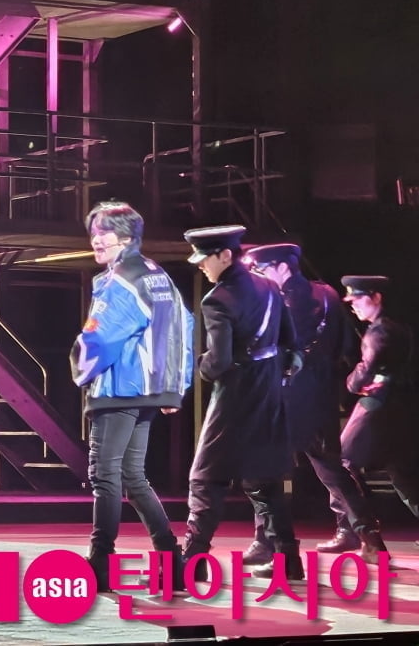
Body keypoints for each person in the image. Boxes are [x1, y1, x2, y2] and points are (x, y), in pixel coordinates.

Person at [69, 202, 194, 592]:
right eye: (93, 233)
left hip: (118, 389)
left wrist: (79, 367)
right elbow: (185, 327)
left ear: (125, 238)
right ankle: (171, 560)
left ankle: (100, 562)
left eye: (103, 233)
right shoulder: (158, 275)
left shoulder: (119, 281)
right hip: (149, 392)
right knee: (133, 477)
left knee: (104, 475)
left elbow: (100, 337)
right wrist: (174, 387)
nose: (96, 240)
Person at [241, 245, 385, 563]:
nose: (259, 276)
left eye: (263, 269)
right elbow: (345, 345)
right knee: (331, 468)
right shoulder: (327, 294)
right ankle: (368, 536)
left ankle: (266, 541)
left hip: (287, 397)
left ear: (283, 267)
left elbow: (272, 349)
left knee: (262, 466)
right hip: (321, 395)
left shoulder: (281, 301)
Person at [181, 225, 303, 581]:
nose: (200, 265)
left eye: (205, 258)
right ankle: (288, 560)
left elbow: (217, 363)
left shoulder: (216, 299)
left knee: (206, 478)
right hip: (269, 395)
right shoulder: (269, 287)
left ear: (225, 255)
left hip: (234, 398)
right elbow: (292, 343)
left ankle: (192, 562)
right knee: (266, 481)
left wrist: (201, 366)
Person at [338, 275, 419, 537]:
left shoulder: (381, 331)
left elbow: (367, 369)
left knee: (342, 462)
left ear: (376, 297)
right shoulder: (398, 327)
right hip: (399, 407)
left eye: (358, 299)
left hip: (378, 407)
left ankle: (360, 526)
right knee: (402, 473)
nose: (354, 306)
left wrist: (352, 382)